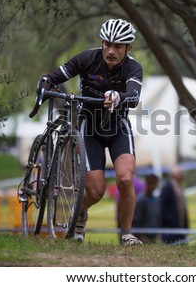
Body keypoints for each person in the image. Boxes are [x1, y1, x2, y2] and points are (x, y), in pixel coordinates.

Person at [41, 18, 143, 246]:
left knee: (125, 179)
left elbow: (134, 96)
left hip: (118, 128)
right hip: (90, 129)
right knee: (96, 191)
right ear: (102, 42)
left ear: (128, 48)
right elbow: (55, 76)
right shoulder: (87, 58)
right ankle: (80, 211)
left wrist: (119, 97)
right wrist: (45, 84)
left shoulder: (133, 67)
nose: (111, 50)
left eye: (118, 46)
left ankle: (126, 234)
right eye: (107, 44)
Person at [159, 166, 189, 244]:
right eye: (180, 173)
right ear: (174, 175)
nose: (182, 175)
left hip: (180, 228)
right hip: (170, 229)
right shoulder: (167, 188)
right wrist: (170, 220)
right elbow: (162, 207)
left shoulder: (179, 187)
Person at [133, 174, 161, 243]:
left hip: (154, 236)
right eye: (152, 183)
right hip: (143, 237)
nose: (153, 186)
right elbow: (136, 219)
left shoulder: (156, 199)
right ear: (147, 183)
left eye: (155, 184)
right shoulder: (140, 200)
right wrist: (140, 236)